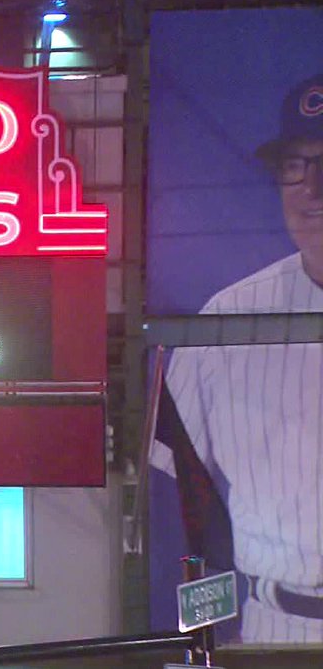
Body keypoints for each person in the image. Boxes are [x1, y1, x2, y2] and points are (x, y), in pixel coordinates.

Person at [153, 73, 323, 643]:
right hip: (276, 627)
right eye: (296, 165)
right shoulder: (225, 319)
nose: (314, 189)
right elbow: (170, 502)